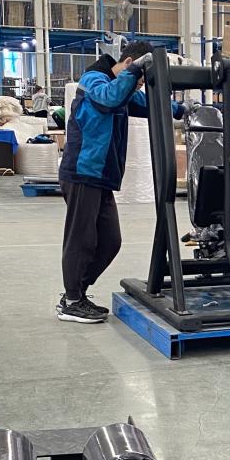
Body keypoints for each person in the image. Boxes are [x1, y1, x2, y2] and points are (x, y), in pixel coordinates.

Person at [57, 41, 154, 324]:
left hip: (100, 176)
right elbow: (108, 99)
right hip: (83, 171)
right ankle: (71, 301)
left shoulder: (120, 88)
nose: (137, 87)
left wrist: (184, 109)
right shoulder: (94, 79)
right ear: (129, 63)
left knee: (111, 241)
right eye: (139, 81)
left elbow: (148, 104)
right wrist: (134, 72)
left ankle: (76, 294)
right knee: (81, 239)